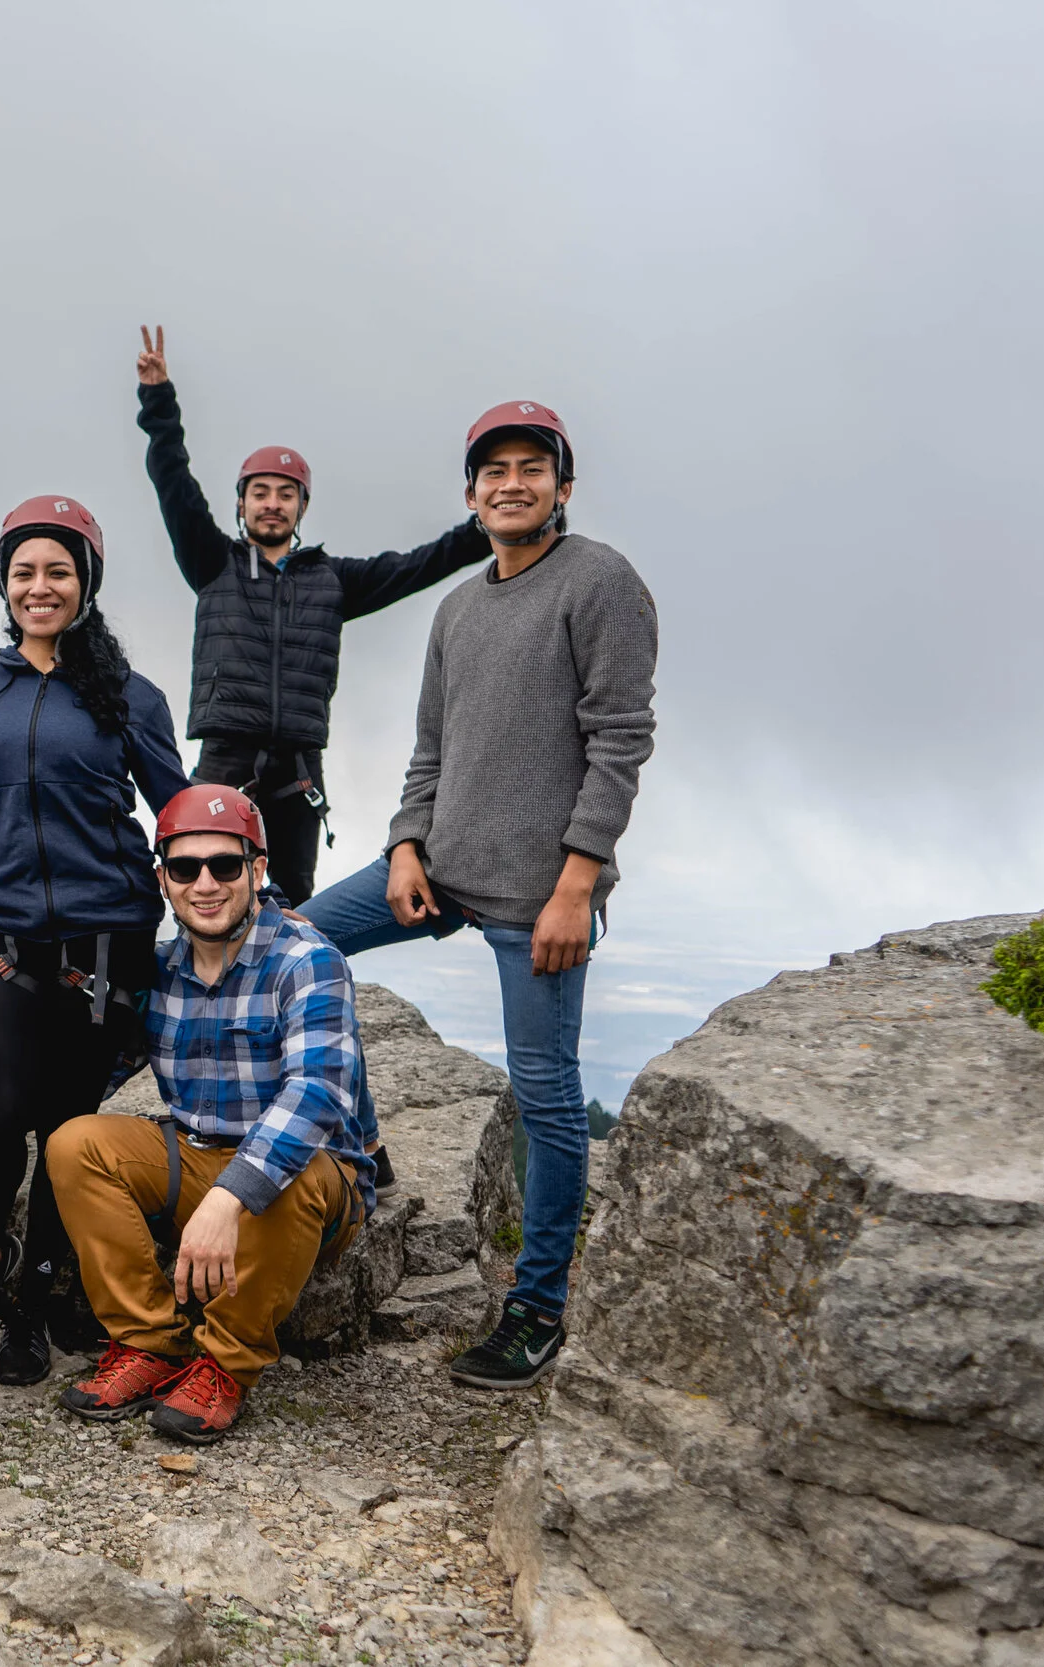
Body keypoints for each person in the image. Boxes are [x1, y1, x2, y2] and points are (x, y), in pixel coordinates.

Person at [298, 401, 657, 1392]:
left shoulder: (599, 581)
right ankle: (363, 1143)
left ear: (562, 486)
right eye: (493, 470)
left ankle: (537, 1305)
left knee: (544, 1091)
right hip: (440, 868)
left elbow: (620, 743)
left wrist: (576, 885)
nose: (511, 483)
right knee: (297, 942)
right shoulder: (458, 607)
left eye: (531, 467)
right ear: (470, 493)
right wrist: (403, 846)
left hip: (539, 893)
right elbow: (430, 750)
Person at [0, 495, 190, 1388]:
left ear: (86, 583)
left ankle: (36, 1292)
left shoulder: (129, 694)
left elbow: (177, 810)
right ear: (3, 584)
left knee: (67, 1125)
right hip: (4, 933)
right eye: (24, 572)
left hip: (107, 935)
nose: (40, 586)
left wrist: (252, 891)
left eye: (59, 570)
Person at [0, 785, 375, 1444]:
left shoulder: (308, 961)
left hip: (307, 1181)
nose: (206, 884)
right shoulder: (160, 969)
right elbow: (88, 1072)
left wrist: (230, 1196)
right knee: (75, 1142)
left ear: (258, 869)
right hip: (193, 1158)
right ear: (163, 879)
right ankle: (148, 1342)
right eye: (186, 868)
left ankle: (225, 1364)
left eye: (225, 865)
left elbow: (318, 1094)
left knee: (295, 1177)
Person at [133, 326, 490, 908]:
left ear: (302, 506)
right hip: (226, 757)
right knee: (207, 885)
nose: (272, 503)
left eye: (286, 493)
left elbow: (422, 563)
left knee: (292, 898)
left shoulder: (333, 580)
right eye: (260, 492)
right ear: (242, 503)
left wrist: (488, 525)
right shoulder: (213, 562)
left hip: (299, 769)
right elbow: (173, 480)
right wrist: (158, 399)